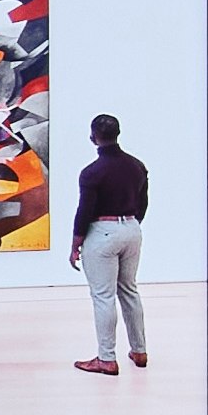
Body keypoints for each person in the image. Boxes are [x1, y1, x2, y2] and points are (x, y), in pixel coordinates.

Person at [72, 112, 154, 371]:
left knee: (103, 296)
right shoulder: (137, 166)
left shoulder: (91, 172)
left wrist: (76, 243)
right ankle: (139, 351)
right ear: (117, 134)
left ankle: (106, 358)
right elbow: (143, 203)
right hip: (131, 229)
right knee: (129, 290)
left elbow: (84, 210)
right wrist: (131, 223)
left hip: (103, 232)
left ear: (93, 137)